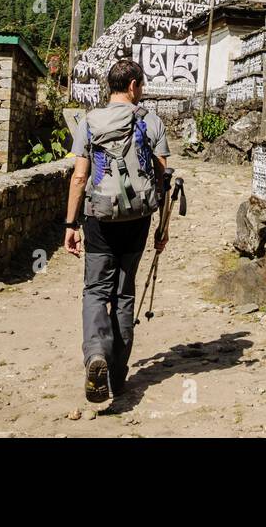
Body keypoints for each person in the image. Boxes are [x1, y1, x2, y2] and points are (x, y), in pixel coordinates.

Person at [64, 59, 170, 403]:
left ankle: (95, 353)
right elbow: (163, 179)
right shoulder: (151, 121)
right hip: (137, 220)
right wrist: (162, 229)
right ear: (134, 86)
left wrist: (70, 224)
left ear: (110, 86)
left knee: (96, 291)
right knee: (124, 294)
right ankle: (118, 376)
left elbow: (80, 177)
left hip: (99, 220)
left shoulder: (89, 121)